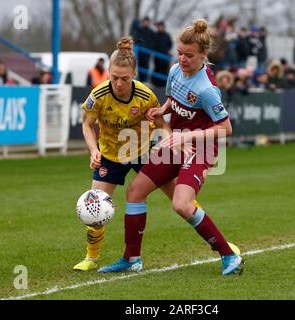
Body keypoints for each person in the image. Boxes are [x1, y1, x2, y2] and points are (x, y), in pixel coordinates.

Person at [98, 19, 244, 276]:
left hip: (201, 147)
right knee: (135, 191)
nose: (182, 59)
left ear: (202, 55)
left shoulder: (207, 89)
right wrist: (162, 110)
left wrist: (186, 138)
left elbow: (226, 129)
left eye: (189, 55)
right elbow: (172, 100)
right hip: (177, 141)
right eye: (179, 53)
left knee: (182, 204)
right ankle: (131, 258)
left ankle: (228, 255)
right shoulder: (175, 70)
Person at [73, 36, 201, 271]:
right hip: (110, 156)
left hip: (143, 153)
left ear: (134, 74)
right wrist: (93, 150)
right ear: (109, 73)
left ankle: (219, 243)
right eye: (114, 78)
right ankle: (91, 258)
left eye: (124, 78)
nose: (119, 83)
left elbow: (161, 124)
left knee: (181, 199)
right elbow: (86, 124)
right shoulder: (99, 95)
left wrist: (176, 141)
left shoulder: (145, 95)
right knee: (95, 207)